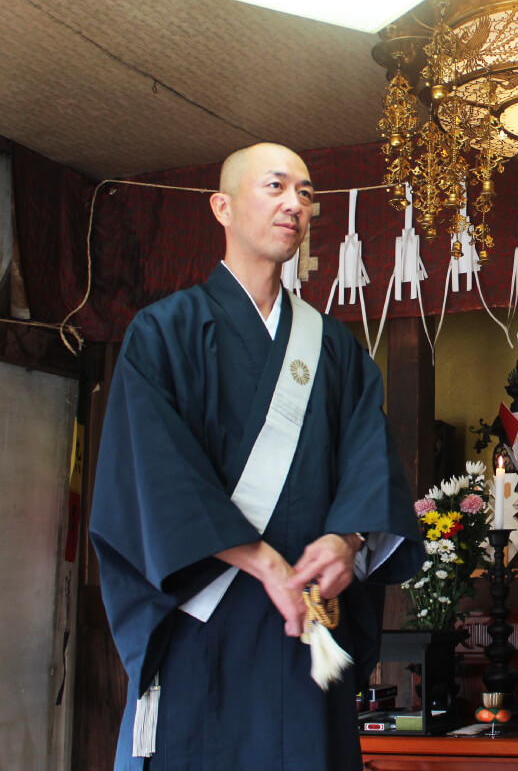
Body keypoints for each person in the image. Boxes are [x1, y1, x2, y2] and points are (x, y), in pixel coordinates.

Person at [90, 143, 424, 770]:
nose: (294, 204)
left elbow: (369, 459)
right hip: (205, 620)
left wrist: (348, 540)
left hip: (305, 629)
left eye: (305, 193)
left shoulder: (334, 350)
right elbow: (152, 474)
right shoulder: (164, 333)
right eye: (275, 187)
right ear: (222, 206)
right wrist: (259, 561)